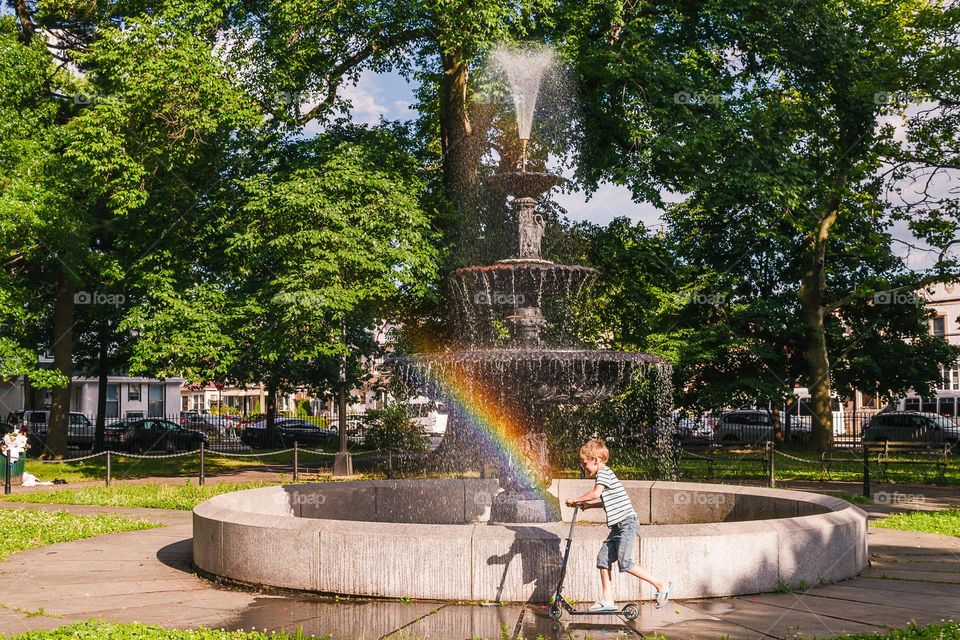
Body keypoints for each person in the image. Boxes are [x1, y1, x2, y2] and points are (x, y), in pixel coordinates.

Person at [565, 438, 673, 611]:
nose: (583, 467)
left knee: (625, 562)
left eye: (585, 463)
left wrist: (575, 499)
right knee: (602, 560)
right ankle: (607, 600)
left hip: (627, 523)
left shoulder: (604, 473)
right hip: (617, 526)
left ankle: (660, 585)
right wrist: (588, 506)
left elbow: (596, 493)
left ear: (596, 460)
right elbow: (608, 500)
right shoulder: (603, 474)